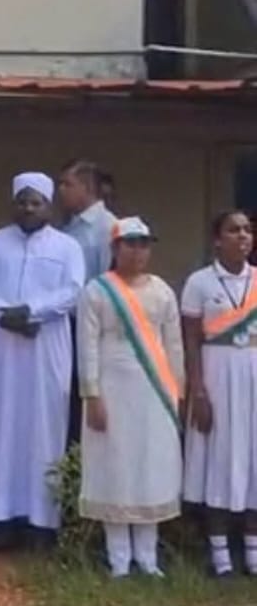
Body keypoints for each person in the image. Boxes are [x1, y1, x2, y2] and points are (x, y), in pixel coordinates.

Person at [0, 171, 85, 544]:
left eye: (36, 202)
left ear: (48, 206)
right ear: (13, 204)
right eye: (23, 202)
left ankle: (42, 523)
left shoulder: (67, 247)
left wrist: (31, 312)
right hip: (0, 347)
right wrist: (4, 315)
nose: (29, 208)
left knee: (44, 428)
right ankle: (0, 519)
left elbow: (73, 291)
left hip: (46, 347)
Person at [78, 217, 184, 579]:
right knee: (116, 466)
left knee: (149, 465)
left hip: (155, 390)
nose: (138, 251)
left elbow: (173, 344)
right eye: (131, 243)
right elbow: (87, 347)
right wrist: (92, 394)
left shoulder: (162, 291)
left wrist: (178, 391)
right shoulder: (97, 291)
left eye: (144, 244)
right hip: (112, 387)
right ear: (115, 248)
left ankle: (148, 558)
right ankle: (119, 559)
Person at [183, 210, 257, 577]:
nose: (242, 236)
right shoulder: (200, 282)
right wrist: (198, 391)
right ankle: (220, 555)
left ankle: (253, 552)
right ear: (217, 239)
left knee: (253, 458)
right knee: (217, 459)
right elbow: (191, 342)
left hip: (253, 374)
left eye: (247, 230)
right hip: (216, 374)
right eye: (233, 230)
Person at [56, 158, 118, 442]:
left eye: (67, 184)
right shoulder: (68, 228)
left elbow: (110, 282)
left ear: (87, 187)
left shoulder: (107, 228)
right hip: (65, 325)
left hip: (93, 327)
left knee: (89, 398)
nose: (61, 191)